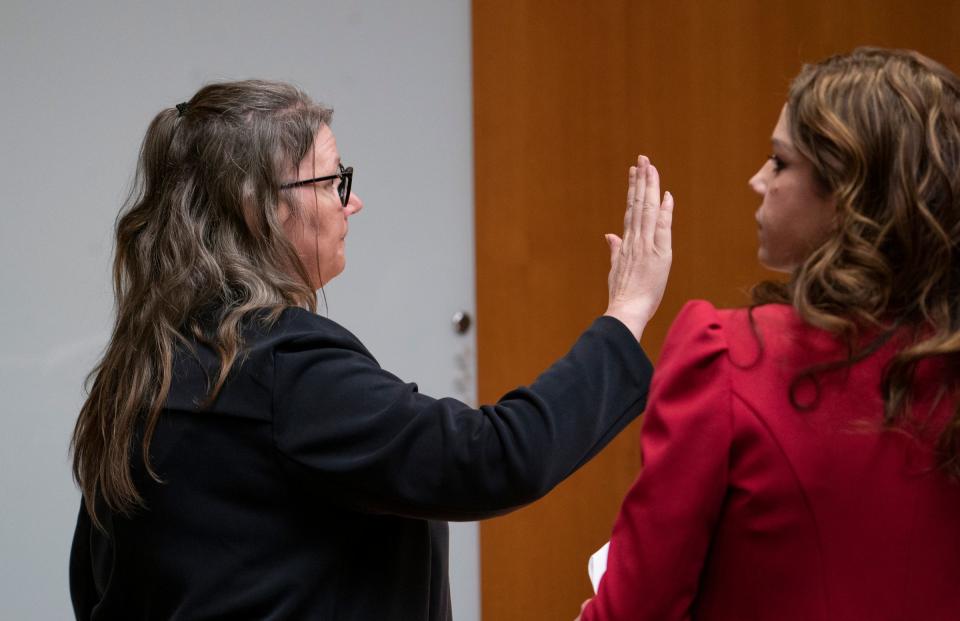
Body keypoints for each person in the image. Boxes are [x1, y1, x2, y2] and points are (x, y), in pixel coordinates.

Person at [68, 80, 675, 620]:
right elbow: (488, 459)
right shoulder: (282, 368)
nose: (350, 202)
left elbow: (95, 586)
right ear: (259, 209)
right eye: (332, 181)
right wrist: (625, 315)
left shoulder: (145, 365)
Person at [578, 47, 960, 621]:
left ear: (847, 192)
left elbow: (635, 608)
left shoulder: (728, 356)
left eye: (780, 162)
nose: (757, 180)